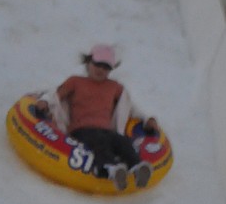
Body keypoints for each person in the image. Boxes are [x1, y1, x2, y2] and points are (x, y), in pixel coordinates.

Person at [34, 44, 160, 190]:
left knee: (122, 142)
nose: (101, 70)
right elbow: (55, 95)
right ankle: (109, 168)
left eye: (106, 67)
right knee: (99, 142)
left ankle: (137, 167)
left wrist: (147, 119)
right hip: (82, 129)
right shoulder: (75, 82)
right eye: (98, 65)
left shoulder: (114, 87)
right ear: (88, 63)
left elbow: (130, 107)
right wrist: (44, 102)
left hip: (107, 130)